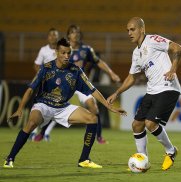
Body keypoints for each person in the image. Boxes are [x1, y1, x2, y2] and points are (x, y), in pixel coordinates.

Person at [3, 38, 126, 169]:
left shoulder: (76, 71)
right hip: (43, 105)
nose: (66, 56)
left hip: (62, 107)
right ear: (56, 52)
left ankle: (84, 159)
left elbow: (93, 90)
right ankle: (10, 158)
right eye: (63, 53)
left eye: (69, 53)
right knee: (31, 123)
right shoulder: (46, 68)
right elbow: (30, 89)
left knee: (92, 118)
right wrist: (20, 108)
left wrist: (109, 106)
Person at [107, 17, 181, 171]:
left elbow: (178, 48)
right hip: (152, 91)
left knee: (150, 123)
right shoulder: (136, 53)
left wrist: (173, 70)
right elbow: (132, 77)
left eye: (132, 29)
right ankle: (143, 160)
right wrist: (117, 92)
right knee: (137, 125)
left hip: (168, 88)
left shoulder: (153, 40)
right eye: (127, 30)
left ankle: (171, 151)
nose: (129, 33)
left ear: (142, 29)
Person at [35, 25, 121, 144]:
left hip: (80, 84)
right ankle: (42, 133)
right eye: (73, 32)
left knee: (93, 107)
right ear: (68, 35)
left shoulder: (86, 49)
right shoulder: (63, 49)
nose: (76, 34)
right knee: (53, 105)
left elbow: (98, 62)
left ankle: (99, 136)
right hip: (64, 85)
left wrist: (111, 73)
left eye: (78, 32)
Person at [30, 28, 59, 141]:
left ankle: (46, 133)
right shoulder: (43, 50)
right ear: (48, 37)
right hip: (44, 84)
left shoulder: (61, 50)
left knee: (57, 109)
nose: (53, 37)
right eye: (51, 35)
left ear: (57, 37)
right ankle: (33, 132)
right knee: (38, 107)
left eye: (55, 35)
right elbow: (36, 65)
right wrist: (42, 75)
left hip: (57, 85)